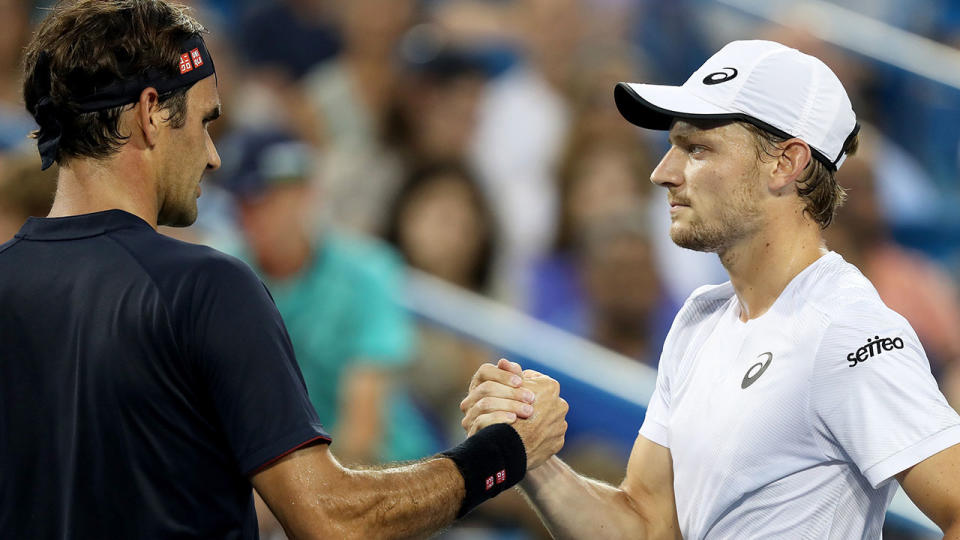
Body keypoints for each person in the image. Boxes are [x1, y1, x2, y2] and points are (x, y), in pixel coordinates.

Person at [0, 1, 567, 538]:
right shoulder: (206, 288)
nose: (213, 155)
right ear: (151, 113)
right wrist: (503, 452)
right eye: (203, 122)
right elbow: (332, 521)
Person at [461, 40, 960, 537]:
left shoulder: (847, 330)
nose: (663, 173)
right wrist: (530, 455)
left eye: (697, 148)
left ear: (786, 163)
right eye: (673, 146)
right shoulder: (700, 317)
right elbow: (646, 524)